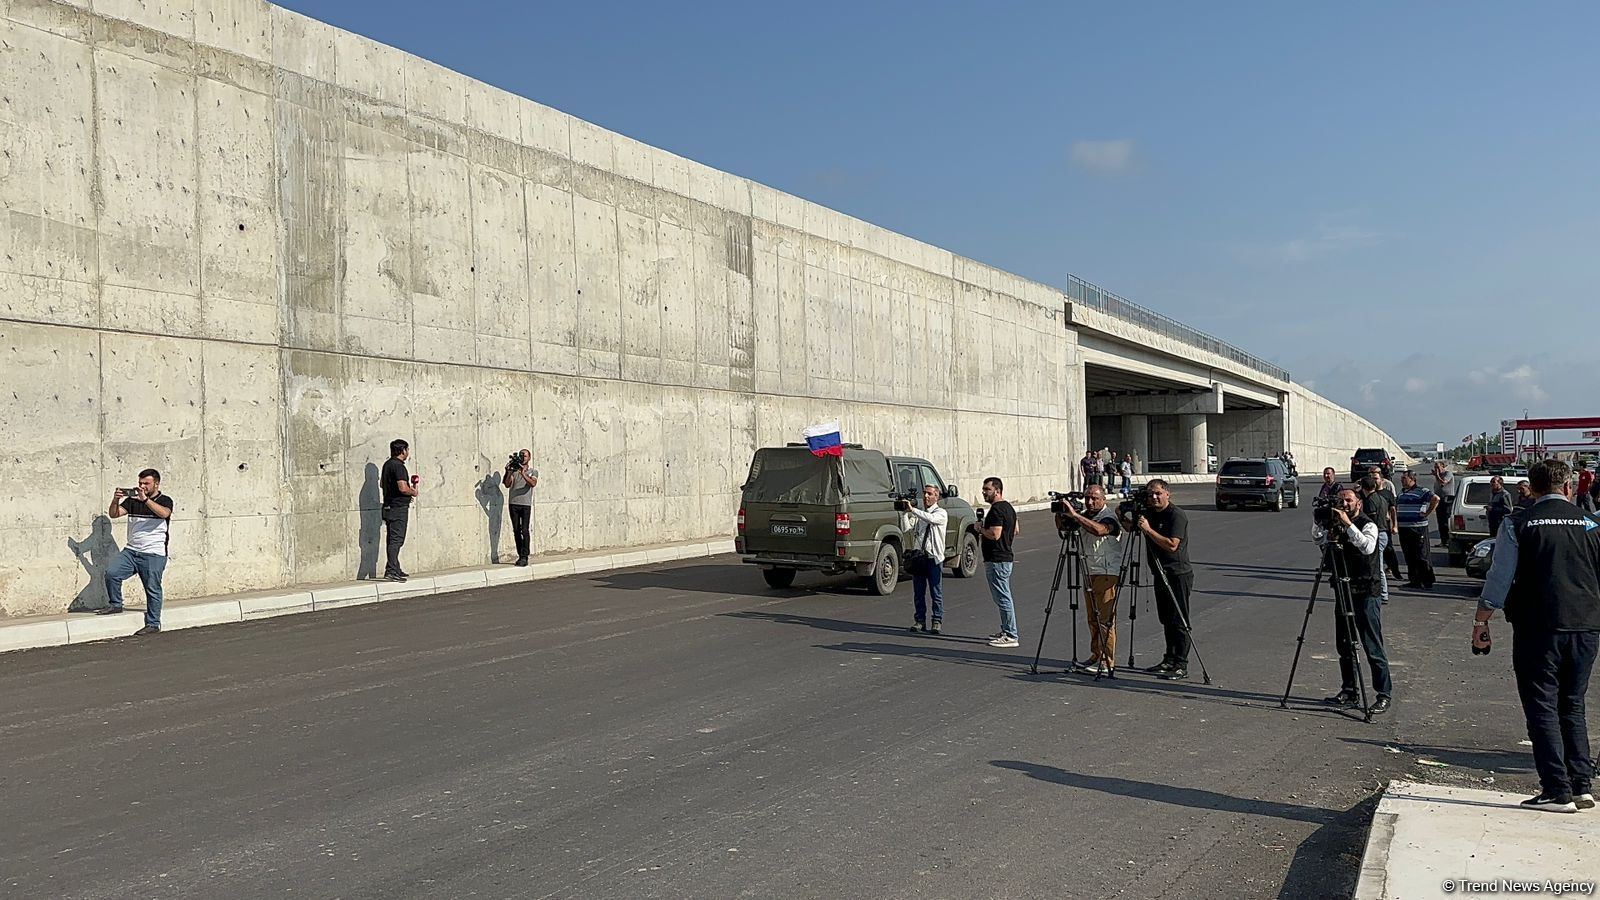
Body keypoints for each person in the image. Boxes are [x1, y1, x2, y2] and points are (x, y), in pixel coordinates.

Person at [1473, 459, 1600, 813]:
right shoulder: (1592, 524)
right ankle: (1581, 785)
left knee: (1542, 704)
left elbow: (1499, 578)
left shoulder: (1518, 523)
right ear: (1570, 487)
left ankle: (1556, 789)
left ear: (1532, 486)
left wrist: (1481, 622)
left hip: (1538, 627)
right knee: (1573, 703)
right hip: (1586, 627)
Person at [1312, 488, 1393, 715]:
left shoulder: (1369, 524)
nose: (1345, 504)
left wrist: (1348, 524)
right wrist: (1320, 522)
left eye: (1349, 500)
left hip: (1366, 590)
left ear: (1358, 503)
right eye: (1342, 500)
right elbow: (1316, 538)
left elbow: (1367, 547)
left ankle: (1383, 694)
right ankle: (1349, 690)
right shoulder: (1336, 522)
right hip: (1343, 588)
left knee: (1372, 645)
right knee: (1344, 644)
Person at [100, 469, 174, 636]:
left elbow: (164, 513)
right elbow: (114, 514)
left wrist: (145, 500)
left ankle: (153, 623)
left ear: (156, 483)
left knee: (152, 588)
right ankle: (116, 604)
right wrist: (115, 499)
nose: (142, 486)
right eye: (140, 483)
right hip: (132, 551)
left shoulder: (165, 500)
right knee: (112, 573)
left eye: (146, 484)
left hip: (154, 553)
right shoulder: (132, 501)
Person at [1059, 484, 1122, 675]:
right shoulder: (1086, 515)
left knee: (1105, 620)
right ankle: (1096, 654)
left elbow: (1100, 531)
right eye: (1087, 498)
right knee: (1093, 618)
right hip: (1089, 570)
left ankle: (1106, 661)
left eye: (1094, 498)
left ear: (1103, 499)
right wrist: (1062, 513)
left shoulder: (1109, 517)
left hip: (1106, 572)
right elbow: (1063, 529)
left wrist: (1076, 516)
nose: (1090, 501)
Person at [1136, 479, 1193, 680]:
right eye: (1151, 494)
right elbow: (1133, 529)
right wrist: (1122, 514)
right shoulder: (1150, 513)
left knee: (1179, 619)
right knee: (1166, 619)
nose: (1154, 497)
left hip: (1177, 573)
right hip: (1159, 573)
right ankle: (1168, 659)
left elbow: (1171, 545)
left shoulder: (1176, 515)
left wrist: (1149, 530)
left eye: (1158, 493)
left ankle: (1181, 664)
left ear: (1167, 494)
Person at [975, 477, 1020, 648]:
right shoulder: (1009, 508)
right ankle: (1006, 629)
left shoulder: (996, 510)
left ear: (997, 490)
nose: (984, 492)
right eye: (983, 489)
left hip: (997, 559)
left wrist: (980, 529)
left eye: (987, 489)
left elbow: (995, 534)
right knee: (1002, 597)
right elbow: (1016, 530)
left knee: (1003, 598)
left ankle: (1010, 634)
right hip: (1003, 558)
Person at [903, 483, 948, 635]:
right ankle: (919, 620)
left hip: (934, 557)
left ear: (937, 496)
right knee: (918, 592)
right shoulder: (919, 514)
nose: (926, 496)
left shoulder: (941, 513)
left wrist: (913, 510)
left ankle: (937, 620)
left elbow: (931, 519)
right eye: (925, 493)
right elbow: (906, 528)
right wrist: (904, 513)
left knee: (936, 591)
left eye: (929, 494)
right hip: (920, 558)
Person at [381, 439, 419, 582]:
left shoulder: (387, 465)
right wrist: (413, 491)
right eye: (407, 450)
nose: (408, 453)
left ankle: (395, 567)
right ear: (402, 450)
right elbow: (402, 488)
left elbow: (382, 484)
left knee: (392, 539)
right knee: (397, 540)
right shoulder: (399, 467)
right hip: (398, 508)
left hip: (388, 507)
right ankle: (391, 571)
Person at [1395, 472, 1438, 590]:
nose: (1402, 481)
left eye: (1404, 478)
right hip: (1404, 528)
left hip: (1417, 527)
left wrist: (1428, 513)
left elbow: (1435, 498)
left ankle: (1427, 580)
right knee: (1409, 555)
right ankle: (1414, 580)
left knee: (1421, 555)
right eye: (1401, 479)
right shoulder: (1402, 492)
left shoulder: (1421, 491)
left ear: (1412, 479)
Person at [1360, 475, 1395, 605]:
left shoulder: (1370, 501)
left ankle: (1383, 594)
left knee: (1378, 566)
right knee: (1377, 565)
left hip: (1377, 534)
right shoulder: (1381, 498)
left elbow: (1371, 520)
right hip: (1383, 532)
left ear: (1364, 488)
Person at [502, 449, 539, 566]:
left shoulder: (533, 471)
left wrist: (523, 473)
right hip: (513, 503)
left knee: (525, 530)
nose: (523, 457)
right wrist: (508, 472)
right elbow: (507, 484)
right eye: (521, 455)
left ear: (529, 458)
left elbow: (532, 483)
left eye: (525, 456)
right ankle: (520, 556)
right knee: (516, 530)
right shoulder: (514, 471)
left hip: (525, 504)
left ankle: (525, 556)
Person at [1369, 466, 1403, 582]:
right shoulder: (1367, 492)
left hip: (1385, 525)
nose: (1374, 480)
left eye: (1376, 478)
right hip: (1371, 526)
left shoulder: (1387, 492)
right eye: (1371, 477)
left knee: (1389, 549)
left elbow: (1393, 510)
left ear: (1381, 479)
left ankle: (1394, 570)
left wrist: (1395, 525)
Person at [1432, 461, 1457, 547]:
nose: (1436, 469)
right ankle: (1443, 541)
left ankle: (1449, 541)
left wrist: (1437, 475)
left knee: (1446, 521)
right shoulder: (1437, 477)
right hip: (1439, 500)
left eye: (1438, 467)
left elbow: (1443, 483)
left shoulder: (1448, 474)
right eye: (1435, 467)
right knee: (1440, 521)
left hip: (1447, 499)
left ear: (1443, 467)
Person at [1486, 475, 1516, 540]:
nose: (1491, 484)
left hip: (1500, 522)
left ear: (1500, 483)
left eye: (1494, 482)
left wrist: (1493, 509)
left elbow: (1508, 510)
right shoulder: (1493, 493)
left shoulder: (1505, 494)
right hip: (1492, 522)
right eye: (1491, 482)